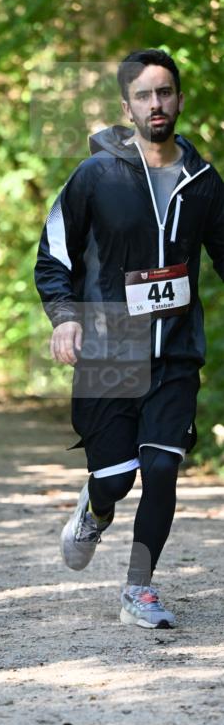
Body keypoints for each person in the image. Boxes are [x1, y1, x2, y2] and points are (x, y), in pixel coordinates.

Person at [35, 49, 224, 630]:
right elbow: (53, 255)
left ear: (179, 99)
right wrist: (64, 317)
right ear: (127, 106)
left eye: (165, 92)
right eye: (144, 96)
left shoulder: (204, 181)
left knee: (163, 468)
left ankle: (139, 589)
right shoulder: (96, 175)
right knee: (115, 479)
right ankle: (94, 511)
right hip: (109, 347)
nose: (156, 104)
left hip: (175, 351)